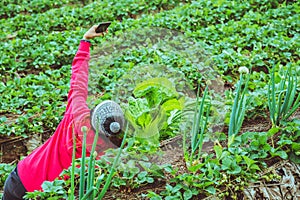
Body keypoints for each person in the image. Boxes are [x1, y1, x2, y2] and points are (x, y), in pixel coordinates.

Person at [2, 25, 125, 200]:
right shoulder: (103, 156)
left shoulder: (76, 114)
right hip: (43, 194)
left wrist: (85, 41)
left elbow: (79, 79)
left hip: (20, 178)